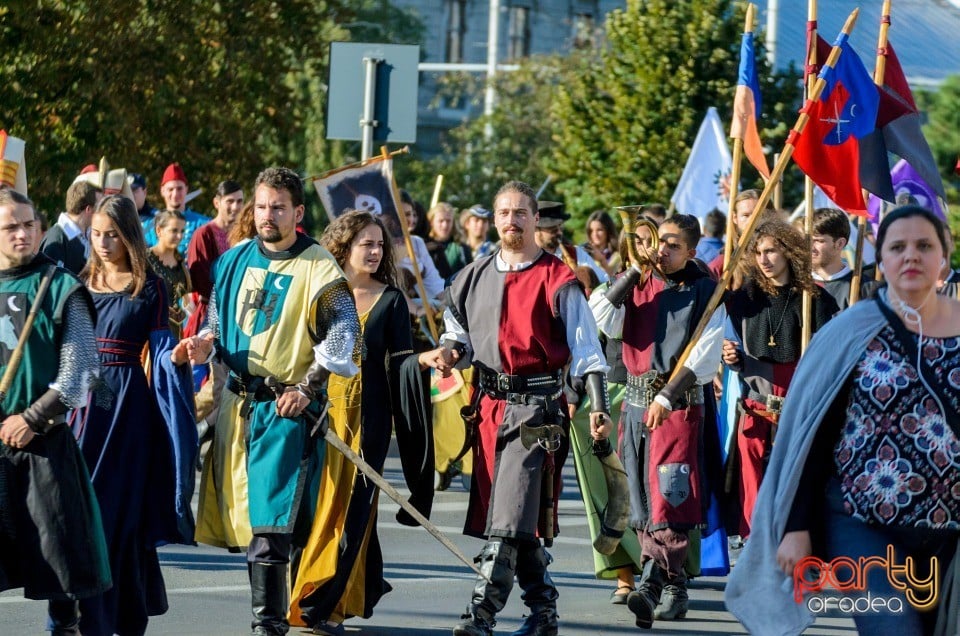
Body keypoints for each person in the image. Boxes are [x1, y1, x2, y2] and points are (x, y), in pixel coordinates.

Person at [726, 205, 960, 635]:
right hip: (861, 525)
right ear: (880, 258)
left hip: (949, 531)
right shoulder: (849, 331)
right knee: (893, 630)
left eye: (924, 246)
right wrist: (795, 526)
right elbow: (813, 435)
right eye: (898, 247)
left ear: (943, 257)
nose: (911, 256)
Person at [189, 167, 362, 636]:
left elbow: (345, 332)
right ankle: (274, 615)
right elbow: (219, 322)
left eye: (278, 207)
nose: (268, 216)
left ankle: (268, 625)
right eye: (262, 206)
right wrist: (206, 343)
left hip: (288, 406)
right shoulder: (233, 261)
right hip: (238, 405)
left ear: (298, 212)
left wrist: (308, 385)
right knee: (256, 521)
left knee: (271, 522)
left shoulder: (319, 266)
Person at [441, 180, 612, 636]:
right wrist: (449, 350)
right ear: (494, 220)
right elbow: (455, 330)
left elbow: (586, 348)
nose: (512, 220)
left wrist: (598, 405)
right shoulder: (471, 276)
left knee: (510, 514)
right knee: (517, 517)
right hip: (488, 410)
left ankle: (480, 615)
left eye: (521, 213)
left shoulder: (559, 279)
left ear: (536, 220)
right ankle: (544, 614)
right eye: (504, 213)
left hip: (537, 412)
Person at [289, 209, 441, 636]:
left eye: (380, 245)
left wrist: (423, 360)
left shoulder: (392, 300)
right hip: (319, 415)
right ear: (344, 246)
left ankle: (328, 605)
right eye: (366, 244)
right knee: (314, 510)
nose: (375, 252)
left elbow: (400, 361)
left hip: (368, 421)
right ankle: (314, 589)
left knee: (354, 513)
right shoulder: (319, 291)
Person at [591, 213, 725, 628]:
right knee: (643, 499)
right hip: (633, 403)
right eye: (658, 242)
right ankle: (673, 585)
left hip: (677, 404)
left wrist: (667, 396)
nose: (662, 251)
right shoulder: (636, 282)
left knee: (672, 494)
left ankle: (652, 582)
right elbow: (600, 317)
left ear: (691, 250)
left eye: (672, 245)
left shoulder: (706, 291)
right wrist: (633, 271)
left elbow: (705, 352)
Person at [73, 194, 197, 636]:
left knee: (122, 521)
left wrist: (179, 357)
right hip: (85, 407)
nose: (104, 243)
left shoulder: (151, 287)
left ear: (129, 235)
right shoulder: (79, 281)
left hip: (129, 411)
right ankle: (82, 620)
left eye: (112, 235)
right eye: (97, 234)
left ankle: (125, 619)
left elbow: (161, 352)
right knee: (86, 518)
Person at [0, 188, 112, 635]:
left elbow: (81, 370)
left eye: (29, 225)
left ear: (42, 229)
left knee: (61, 572)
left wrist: (30, 419)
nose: (22, 233)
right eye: (10, 226)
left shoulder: (61, 286)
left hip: (43, 446)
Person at [722, 219, 838, 541]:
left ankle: (791, 540)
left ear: (788, 252)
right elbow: (730, 346)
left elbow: (831, 355)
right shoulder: (743, 299)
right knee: (752, 477)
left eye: (771, 250)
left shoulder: (814, 298)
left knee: (797, 478)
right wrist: (729, 356)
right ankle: (754, 541)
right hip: (756, 402)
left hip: (798, 403)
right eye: (758, 252)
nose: (764, 259)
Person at [571, 234, 653, 605]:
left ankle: (663, 572)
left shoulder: (679, 290)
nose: (651, 252)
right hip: (613, 395)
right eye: (637, 246)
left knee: (654, 492)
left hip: (659, 400)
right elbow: (592, 338)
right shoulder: (609, 290)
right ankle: (623, 574)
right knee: (610, 491)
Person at [185, 180, 244, 336]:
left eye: (239, 201)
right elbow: (200, 279)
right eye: (230, 201)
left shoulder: (245, 235)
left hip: (240, 314)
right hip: (210, 315)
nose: (236, 207)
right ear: (217, 203)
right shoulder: (203, 234)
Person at [534, 200, 609, 284]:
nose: (559, 232)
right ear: (535, 229)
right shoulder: (526, 258)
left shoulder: (576, 253)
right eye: (553, 230)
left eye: (560, 228)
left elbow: (604, 281)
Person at [146, 210, 192, 339]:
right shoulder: (145, 260)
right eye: (174, 231)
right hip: (149, 334)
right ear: (159, 231)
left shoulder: (181, 266)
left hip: (176, 336)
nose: (179, 236)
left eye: (182, 231)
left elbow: (186, 302)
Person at [143, 163, 209, 251]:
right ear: (162, 191)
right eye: (170, 189)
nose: (175, 194)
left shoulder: (204, 224)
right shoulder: (149, 226)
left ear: (186, 189)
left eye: (179, 189)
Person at [39, 180, 100, 275]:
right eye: (99, 207)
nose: (101, 212)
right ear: (88, 209)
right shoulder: (57, 239)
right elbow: (52, 282)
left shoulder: (91, 235)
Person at [426, 201, 472, 284]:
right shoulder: (423, 246)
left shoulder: (461, 248)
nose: (445, 225)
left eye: (448, 221)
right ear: (432, 222)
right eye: (441, 221)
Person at [581, 210, 620, 276]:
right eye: (591, 230)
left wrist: (601, 260)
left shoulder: (617, 256)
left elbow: (612, 278)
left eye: (599, 230)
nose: (595, 234)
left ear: (608, 231)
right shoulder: (583, 254)